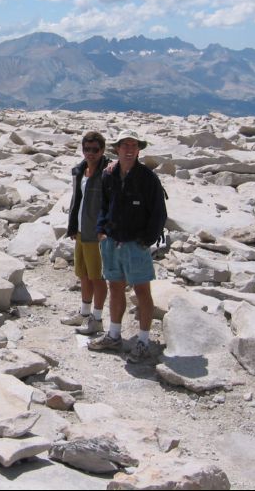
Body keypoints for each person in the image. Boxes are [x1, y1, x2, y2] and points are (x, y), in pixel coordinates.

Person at [88, 129, 166, 363]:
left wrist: (147, 239)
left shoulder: (148, 178)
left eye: (134, 146)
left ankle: (143, 340)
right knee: (115, 287)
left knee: (142, 291)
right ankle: (114, 334)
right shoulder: (109, 175)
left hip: (135, 243)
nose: (130, 150)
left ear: (139, 150)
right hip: (112, 240)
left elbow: (159, 213)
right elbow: (104, 204)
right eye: (125, 146)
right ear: (117, 149)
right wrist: (101, 231)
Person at [60, 131, 110, 336]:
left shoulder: (108, 172)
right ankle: (84, 312)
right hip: (80, 230)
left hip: (95, 232)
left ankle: (97, 319)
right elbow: (76, 200)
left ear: (102, 150)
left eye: (95, 150)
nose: (90, 153)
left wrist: (105, 228)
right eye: (86, 149)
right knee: (83, 275)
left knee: (97, 277)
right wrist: (72, 227)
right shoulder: (80, 170)